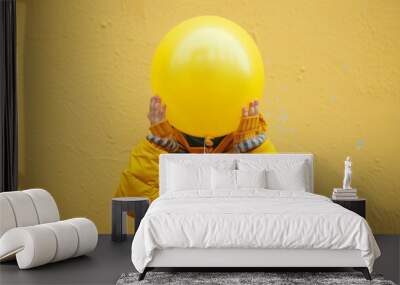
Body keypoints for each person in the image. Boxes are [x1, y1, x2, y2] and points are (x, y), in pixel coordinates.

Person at [114, 96, 277, 201]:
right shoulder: (167, 141)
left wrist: (250, 149)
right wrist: (160, 143)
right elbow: (135, 201)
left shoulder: (249, 139)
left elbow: (272, 204)